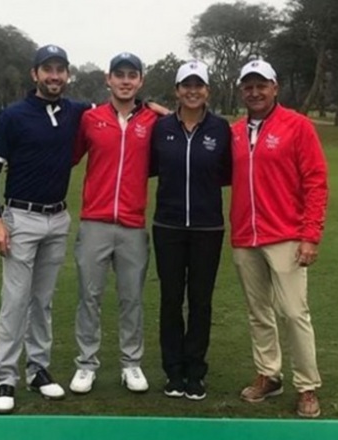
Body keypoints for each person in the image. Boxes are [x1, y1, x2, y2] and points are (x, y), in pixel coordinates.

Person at [0, 44, 90, 415]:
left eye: (60, 69)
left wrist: (153, 108)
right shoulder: (13, 115)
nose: (54, 76)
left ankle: (38, 369)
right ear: (35, 74)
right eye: (48, 69)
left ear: (67, 75)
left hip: (57, 218)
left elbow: (116, 110)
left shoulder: (75, 111)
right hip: (20, 219)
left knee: (42, 300)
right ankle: (5, 377)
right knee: (15, 300)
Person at [230, 59, 328, 418]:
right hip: (245, 236)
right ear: (242, 90)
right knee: (259, 313)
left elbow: (316, 181)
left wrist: (311, 235)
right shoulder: (236, 131)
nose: (254, 92)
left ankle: (307, 386)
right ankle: (269, 376)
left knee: (293, 312)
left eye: (261, 85)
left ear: (275, 87)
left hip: (286, 235)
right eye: (248, 86)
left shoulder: (297, 126)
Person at [67, 52, 159, 395]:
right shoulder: (91, 119)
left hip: (133, 224)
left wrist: (160, 110)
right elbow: (69, 155)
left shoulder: (152, 122)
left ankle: (130, 364)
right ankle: (86, 364)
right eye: (119, 74)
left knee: (131, 297)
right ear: (108, 79)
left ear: (140, 81)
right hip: (95, 222)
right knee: (88, 295)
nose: (125, 80)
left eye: (131, 75)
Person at [149, 60, 232, 401]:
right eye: (187, 85)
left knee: (200, 302)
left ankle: (195, 372)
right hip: (167, 225)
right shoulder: (162, 128)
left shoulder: (221, 129)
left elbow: (227, 173)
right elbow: (152, 166)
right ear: (177, 90)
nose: (193, 90)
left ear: (207, 91)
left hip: (207, 228)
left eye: (199, 85)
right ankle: (174, 372)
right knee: (170, 300)